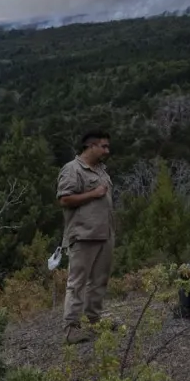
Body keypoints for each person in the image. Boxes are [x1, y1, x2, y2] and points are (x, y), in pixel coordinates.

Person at [56, 129, 115, 344]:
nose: (107, 150)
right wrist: (93, 193)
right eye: (103, 146)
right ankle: (71, 329)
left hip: (105, 234)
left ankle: (94, 321)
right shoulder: (72, 170)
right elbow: (64, 199)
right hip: (83, 235)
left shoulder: (101, 170)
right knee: (77, 282)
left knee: (99, 281)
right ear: (91, 146)